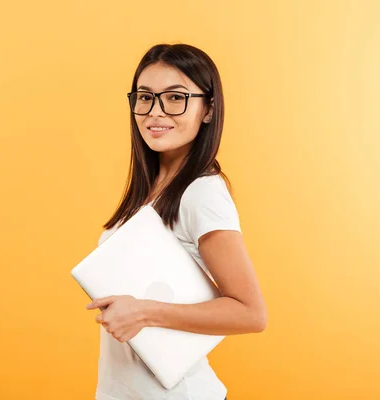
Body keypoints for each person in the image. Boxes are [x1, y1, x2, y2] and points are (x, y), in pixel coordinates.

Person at [86, 43, 267, 400]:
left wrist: (143, 313)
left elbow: (251, 313)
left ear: (208, 110)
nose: (155, 113)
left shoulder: (202, 193)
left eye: (175, 98)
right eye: (145, 97)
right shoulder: (150, 188)